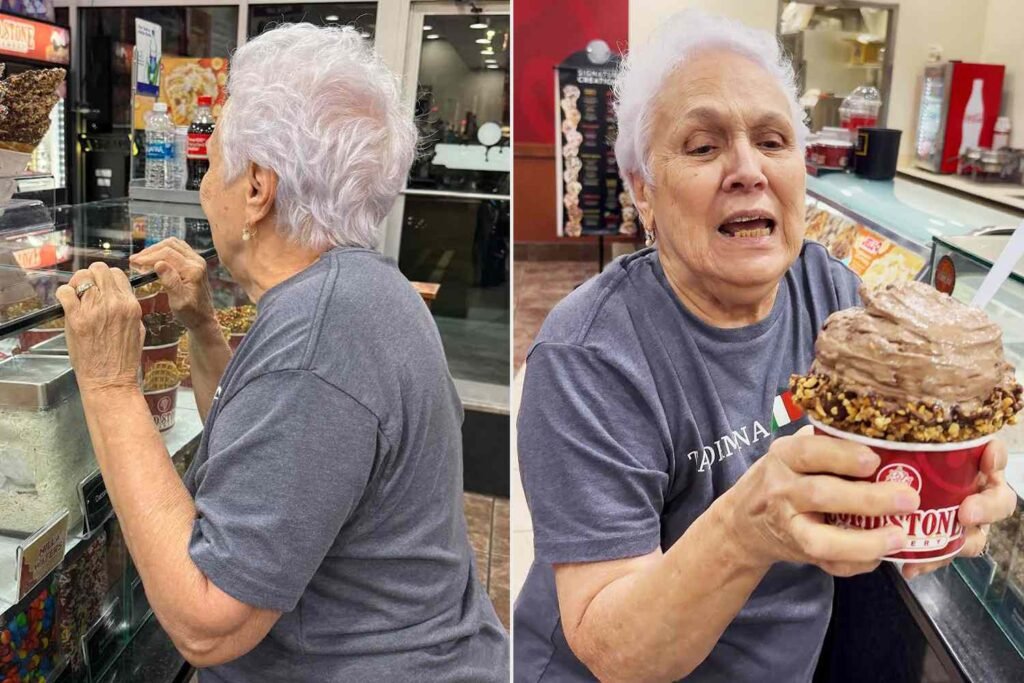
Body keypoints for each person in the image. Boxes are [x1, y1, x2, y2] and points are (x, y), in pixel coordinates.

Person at [513, 10, 1016, 683]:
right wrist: (748, 527)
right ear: (644, 192)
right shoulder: (590, 357)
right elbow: (615, 651)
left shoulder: (831, 294)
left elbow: (879, 476)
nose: (747, 169)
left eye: (773, 140)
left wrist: (942, 496)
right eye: (702, 146)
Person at [56, 23, 507, 681]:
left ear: (258, 188)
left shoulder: (323, 338)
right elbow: (272, 456)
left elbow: (208, 624)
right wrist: (205, 329)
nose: (204, 186)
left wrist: (108, 385)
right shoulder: (360, 288)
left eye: (212, 165)